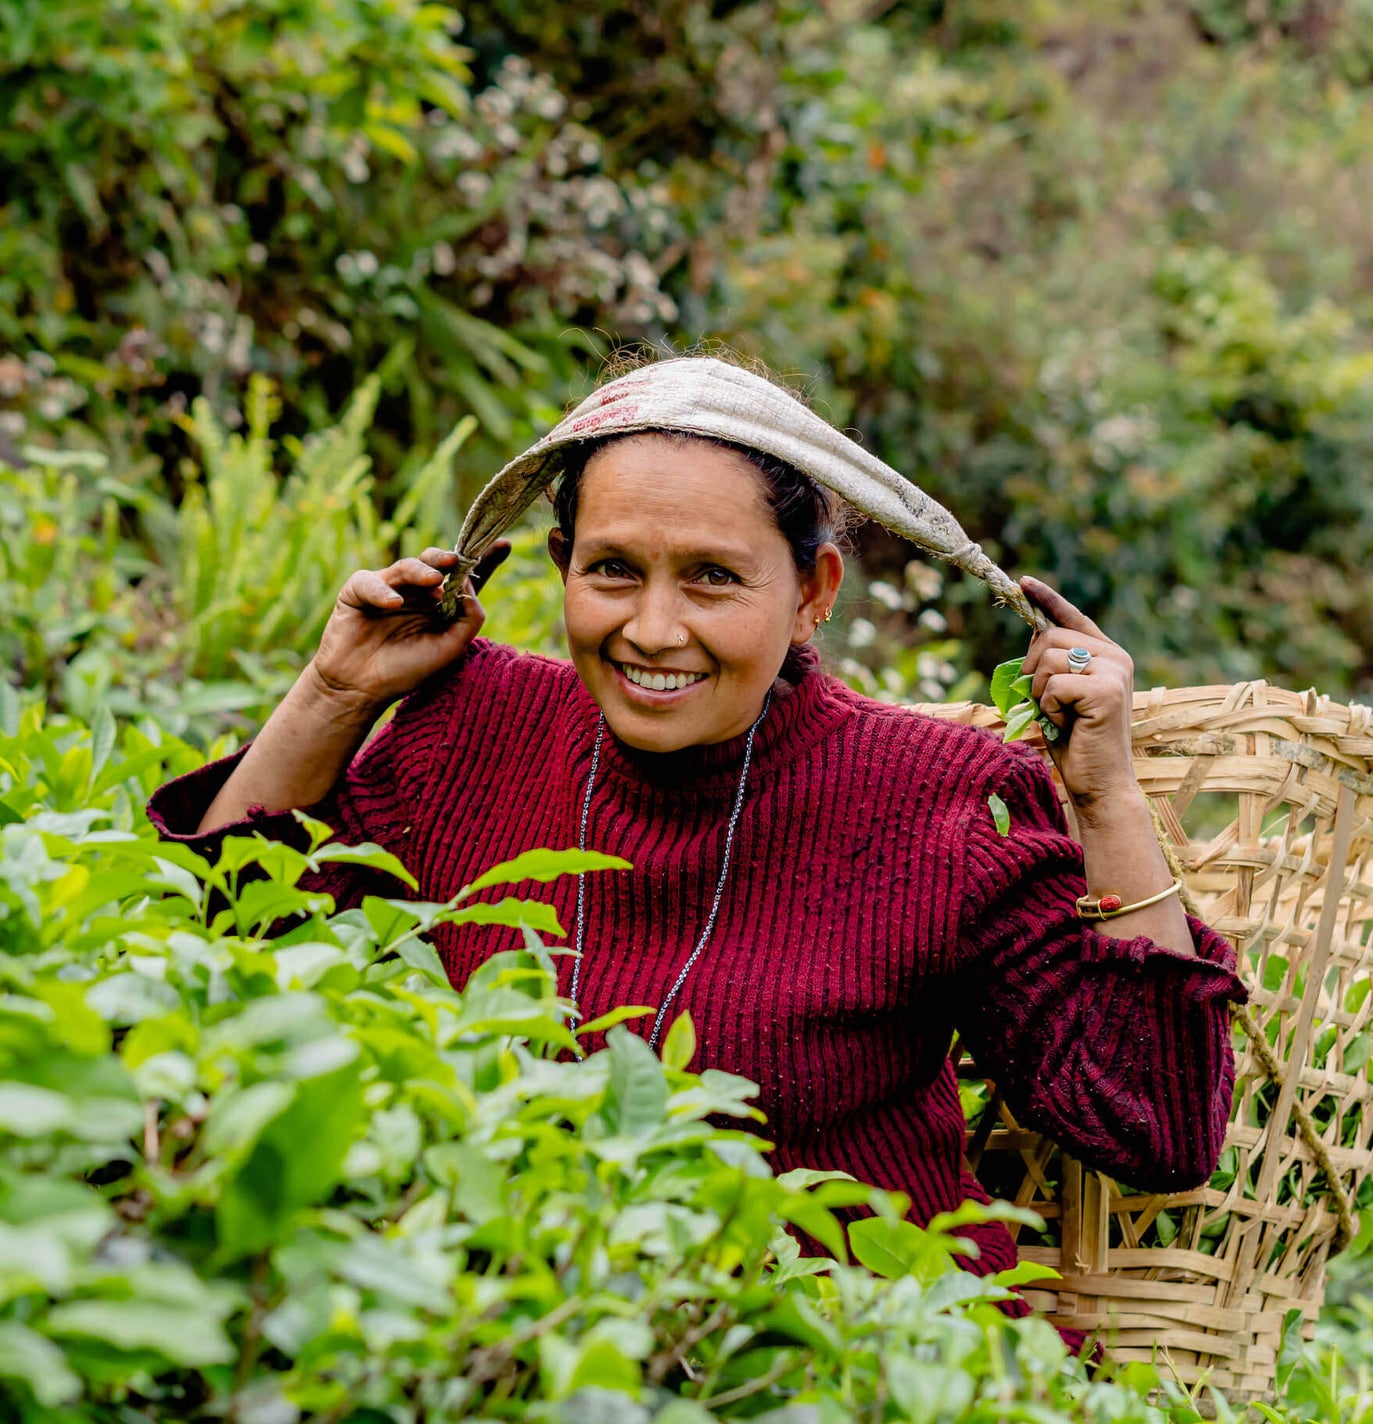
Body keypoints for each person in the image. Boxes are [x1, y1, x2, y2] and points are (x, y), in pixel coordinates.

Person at [148, 352, 1246, 1346]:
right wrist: (336, 690)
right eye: (613, 570)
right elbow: (235, 942)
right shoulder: (476, 724)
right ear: (560, 566)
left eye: (714, 577)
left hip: (842, 1361)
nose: (654, 629)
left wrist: (1104, 793)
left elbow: (1155, 1126)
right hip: (519, 1331)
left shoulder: (938, 801)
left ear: (812, 593)